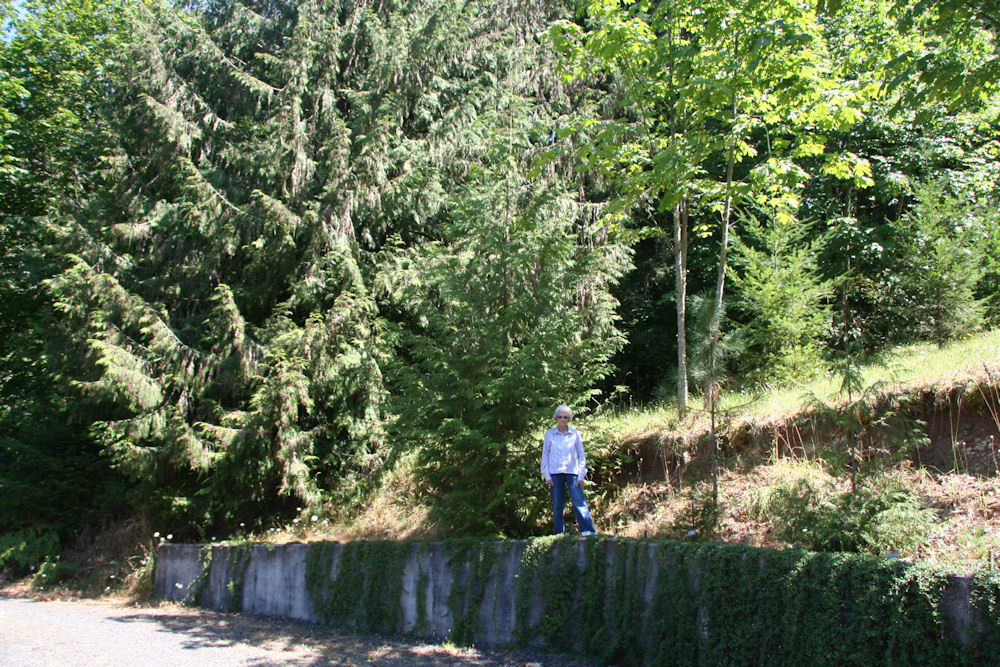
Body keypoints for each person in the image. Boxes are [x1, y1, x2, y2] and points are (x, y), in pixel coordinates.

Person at [540, 405, 597, 536]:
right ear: (556, 418)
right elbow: (545, 455)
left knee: (579, 502)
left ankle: (588, 532)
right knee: (558, 506)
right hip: (555, 474)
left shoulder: (575, 434)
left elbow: (581, 456)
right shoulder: (550, 434)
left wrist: (581, 475)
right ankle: (559, 534)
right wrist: (547, 475)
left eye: (565, 417)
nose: (562, 419)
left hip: (573, 473)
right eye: (560, 417)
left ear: (569, 419)